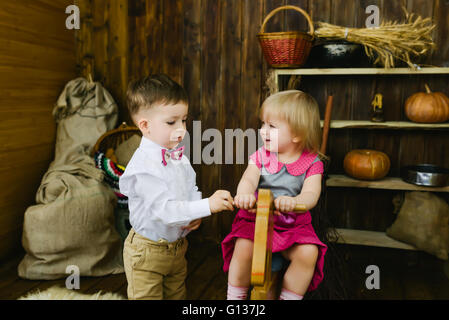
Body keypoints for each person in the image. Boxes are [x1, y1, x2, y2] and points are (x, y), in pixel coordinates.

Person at [120, 74, 233, 300]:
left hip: (177, 248)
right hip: (146, 252)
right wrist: (206, 205)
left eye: (184, 120)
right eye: (172, 122)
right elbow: (165, 211)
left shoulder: (176, 154)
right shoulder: (144, 166)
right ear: (145, 125)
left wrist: (195, 210)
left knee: (177, 295)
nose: (181, 129)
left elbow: (189, 185)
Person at [222, 90, 328, 300]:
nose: (263, 131)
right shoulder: (261, 156)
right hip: (256, 220)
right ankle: (236, 297)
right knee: (243, 247)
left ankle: (289, 297)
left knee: (308, 253)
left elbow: (311, 194)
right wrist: (244, 194)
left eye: (272, 126)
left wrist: (296, 201)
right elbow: (248, 179)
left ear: (297, 133)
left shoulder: (313, 163)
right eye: (263, 124)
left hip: (292, 225)